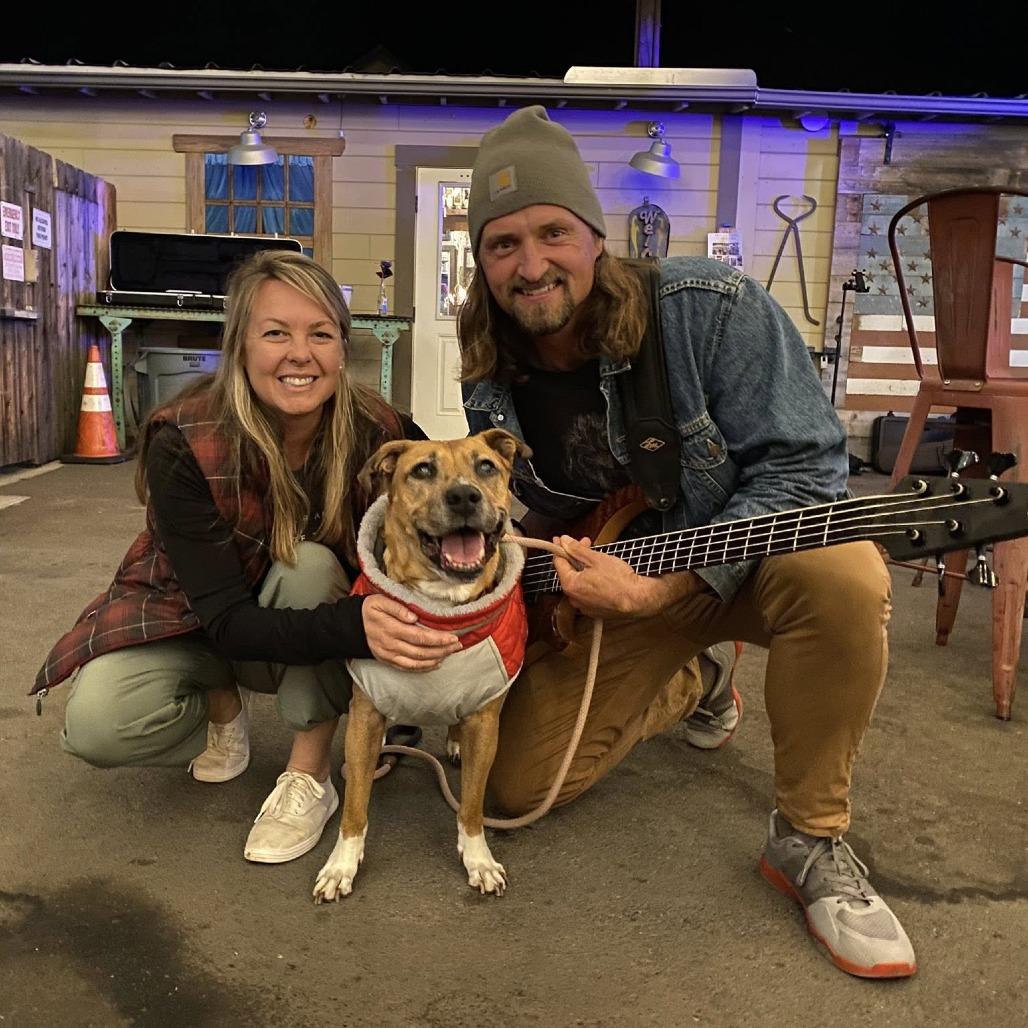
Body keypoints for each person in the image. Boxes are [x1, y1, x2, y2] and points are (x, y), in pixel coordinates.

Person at [458, 106, 915, 978]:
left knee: (844, 573)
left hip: (746, 567)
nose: (530, 264)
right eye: (502, 244)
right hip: (624, 579)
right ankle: (698, 677)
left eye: (553, 232)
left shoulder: (709, 309)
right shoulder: (488, 363)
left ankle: (810, 841)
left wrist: (668, 589)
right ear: (481, 261)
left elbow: (808, 469)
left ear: (595, 237)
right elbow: (528, 511)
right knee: (513, 788)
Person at [34, 250, 460, 864]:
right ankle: (222, 703)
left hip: (299, 607)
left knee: (307, 565)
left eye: (321, 333)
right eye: (275, 333)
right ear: (239, 345)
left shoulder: (382, 428)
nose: (300, 354)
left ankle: (309, 775)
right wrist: (356, 627)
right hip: (198, 614)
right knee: (100, 726)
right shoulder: (183, 434)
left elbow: (455, 503)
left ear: (343, 347)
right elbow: (225, 617)